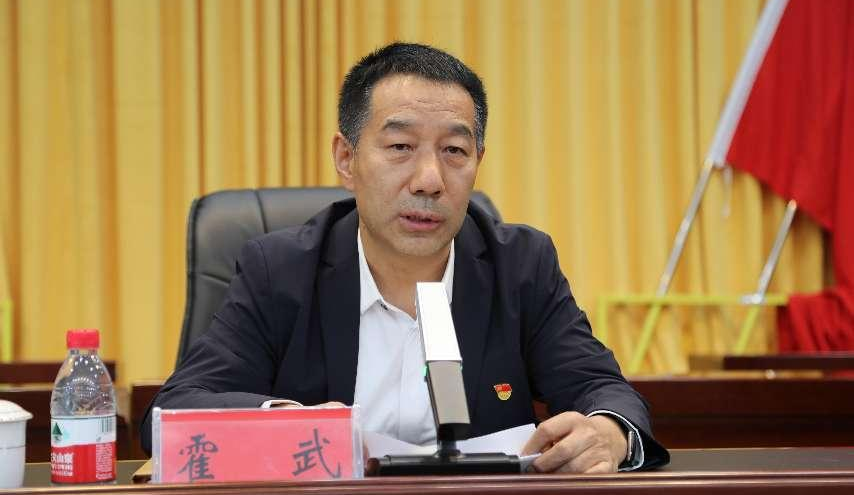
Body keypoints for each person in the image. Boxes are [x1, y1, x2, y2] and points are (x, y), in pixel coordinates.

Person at [140, 42, 669, 472]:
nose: (429, 180)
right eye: (400, 148)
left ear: (477, 161)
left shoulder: (521, 266)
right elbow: (176, 408)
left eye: (454, 151)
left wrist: (609, 432)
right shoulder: (281, 271)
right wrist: (295, 426)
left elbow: (601, 389)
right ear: (346, 159)